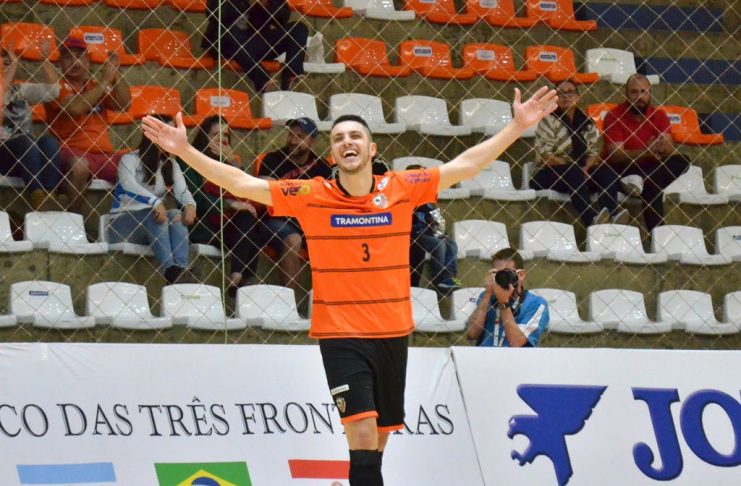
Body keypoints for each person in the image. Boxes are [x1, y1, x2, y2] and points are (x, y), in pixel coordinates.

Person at [142, 85, 557, 486]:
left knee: (379, 440)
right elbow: (243, 185)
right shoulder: (312, 193)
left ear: (371, 149)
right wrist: (185, 150)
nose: (347, 142)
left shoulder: (401, 187)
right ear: (333, 153)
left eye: (356, 135)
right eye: (339, 138)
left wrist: (516, 127)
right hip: (341, 334)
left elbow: (464, 166)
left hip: (392, 332)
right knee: (360, 432)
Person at [45, 35, 131, 213]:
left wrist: (115, 72)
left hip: (104, 156)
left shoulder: (94, 86)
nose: (74, 62)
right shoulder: (57, 86)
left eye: (79, 56)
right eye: (68, 57)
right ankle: (75, 220)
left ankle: (127, 221)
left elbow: (124, 104)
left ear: (88, 62)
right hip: (71, 152)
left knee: (135, 163)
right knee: (80, 166)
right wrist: (105, 81)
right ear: (60, 63)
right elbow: (76, 107)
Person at [109, 115, 198, 285]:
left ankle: (182, 269)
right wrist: (155, 202)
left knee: (176, 215)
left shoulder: (170, 164)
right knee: (156, 216)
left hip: (153, 223)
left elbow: (182, 191)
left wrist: (190, 205)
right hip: (122, 224)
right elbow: (128, 185)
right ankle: (170, 270)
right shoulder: (129, 159)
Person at [183, 115, 264, 296]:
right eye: (216, 135)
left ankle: (236, 274)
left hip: (226, 224)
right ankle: (242, 279)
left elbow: (248, 192)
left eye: (226, 135)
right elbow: (197, 199)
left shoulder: (229, 164)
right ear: (204, 136)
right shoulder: (190, 160)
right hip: (202, 223)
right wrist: (230, 204)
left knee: (249, 217)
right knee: (250, 229)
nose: (222, 140)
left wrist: (233, 162)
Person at [532, 79, 629, 227]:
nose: (566, 96)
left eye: (570, 92)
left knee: (606, 172)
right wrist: (575, 168)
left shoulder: (587, 122)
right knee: (573, 172)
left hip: (581, 173)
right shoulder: (548, 120)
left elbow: (594, 151)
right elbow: (545, 156)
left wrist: (586, 167)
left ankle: (612, 215)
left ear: (578, 97)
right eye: (561, 93)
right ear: (555, 99)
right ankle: (591, 219)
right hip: (550, 174)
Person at [602, 74, 689, 232]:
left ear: (650, 93)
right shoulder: (613, 116)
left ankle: (642, 181)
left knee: (683, 160)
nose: (639, 97)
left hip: (649, 170)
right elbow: (616, 156)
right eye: (634, 92)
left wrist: (662, 147)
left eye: (643, 92)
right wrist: (645, 152)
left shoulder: (659, 116)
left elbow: (669, 149)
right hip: (623, 170)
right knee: (654, 185)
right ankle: (658, 236)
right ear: (626, 94)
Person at [258, 117, 332, 294]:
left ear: (312, 141)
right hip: (275, 219)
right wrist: (304, 197)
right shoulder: (273, 159)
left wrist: (287, 192)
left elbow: (328, 201)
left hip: (310, 222)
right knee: (293, 240)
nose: (292, 140)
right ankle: (290, 302)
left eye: (300, 136)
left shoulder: (322, 167)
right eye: (290, 135)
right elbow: (264, 192)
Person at [0, 42, 66, 210]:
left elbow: (53, 92)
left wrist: (44, 60)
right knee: (25, 140)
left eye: (8, 57)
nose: (6, 60)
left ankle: (49, 196)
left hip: (27, 157)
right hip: (3, 156)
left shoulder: (20, 90)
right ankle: (38, 198)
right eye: (1, 56)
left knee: (49, 142)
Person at [202, 0, 309, 93]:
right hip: (224, 42)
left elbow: (284, 17)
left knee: (299, 28)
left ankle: (291, 78)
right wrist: (247, 3)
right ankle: (264, 81)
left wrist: (268, 5)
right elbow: (213, 13)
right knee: (229, 31)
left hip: (255, 42)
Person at [465, 248, 549, 347]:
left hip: (516, 357)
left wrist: (503, 303)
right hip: (485, 355)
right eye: (498, 273)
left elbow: (517, 343)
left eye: (507, 273)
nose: (502, 277)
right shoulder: (486, 296)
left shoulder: (537, 304)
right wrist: (487, 294)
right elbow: (472, 334)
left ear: (521, 275)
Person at [406, 164, 460, 293]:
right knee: (437, 244)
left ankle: (449, 278)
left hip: (428, 233)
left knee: (451, 243)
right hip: (412, 235)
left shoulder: (430, 200)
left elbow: (439, 220)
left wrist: (440, 231)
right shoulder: (406, 197)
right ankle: (439, 278)